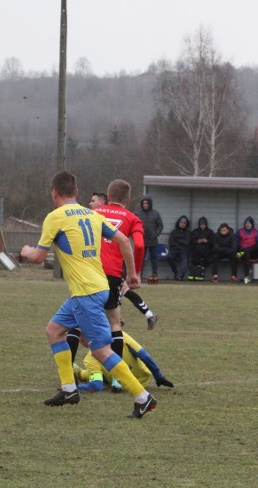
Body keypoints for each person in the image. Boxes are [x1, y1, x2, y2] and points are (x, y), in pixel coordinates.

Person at [19, 171, 157, 418]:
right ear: (77, 192)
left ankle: (142, 397)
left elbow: (38, 258)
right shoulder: (91, 214)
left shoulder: (55, 217)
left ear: (53, 193)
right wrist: (133, 274)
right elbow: (125, 241)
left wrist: (27, 251)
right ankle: (69, 389)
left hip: (85, 292)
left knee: (101, 350)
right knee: (54, 330)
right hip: (98, 286)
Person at [93, 180, 159, 338]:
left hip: (92, 269)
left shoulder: (94, 213)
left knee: (81, 317)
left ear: (108, 197)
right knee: (114, 322)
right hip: (114, 270)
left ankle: (70, 360)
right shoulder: (133, 218)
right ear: (128, 199)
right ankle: (148, 314)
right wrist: (135, 272)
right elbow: (140, 246)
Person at [73, 328, 175, 392]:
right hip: (141, 381)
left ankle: (77, 371)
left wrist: (76, 388)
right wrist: (158, 376)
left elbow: (97, 386)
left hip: (124, 385)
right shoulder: (121, 336)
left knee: (95, 373)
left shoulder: (90, 358)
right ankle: (79, 373)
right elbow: (145, 356)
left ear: (81, 340)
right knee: (98, 371)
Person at [136, 196, 164, 282]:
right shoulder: (138, 214)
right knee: (141, 259)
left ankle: (155, 274)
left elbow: (160, 225)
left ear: (150, 204)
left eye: (146, 203)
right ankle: (139, 274)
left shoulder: (155, 213)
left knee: (154, 259)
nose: (145, 205)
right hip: (142, 240)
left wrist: (156, 234)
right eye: (143, 203)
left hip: (153, 240)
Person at [235, 216, 258, 283]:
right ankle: (247, 276)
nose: (248, 225)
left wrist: (250, 249)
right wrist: (239, 249)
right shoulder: (240, 231)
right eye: (246, 223)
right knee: (246, 255)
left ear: (252, 224)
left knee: (249, 252)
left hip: (253, 252)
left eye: (249, 223)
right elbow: (236, 242)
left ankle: (256, 277)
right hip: (242, 251)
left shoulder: (256, 232)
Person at [188, 216, 214, 281]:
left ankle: (199, 273)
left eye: (204, 225)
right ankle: (196, 273)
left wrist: (207, 241)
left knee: (205, 259)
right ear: (199, 225)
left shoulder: (210, 232)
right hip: (196, 251)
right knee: (195, 259)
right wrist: (197, 241)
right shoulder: (195, 231)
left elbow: (213, 242)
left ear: (206, 225)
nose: (202, 226)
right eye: (201, 225)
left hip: (207, 251)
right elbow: (191, 242)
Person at [167, 215, 192, 281]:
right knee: (169, 257)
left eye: (184, 223)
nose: (182, 224)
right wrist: (180, 244)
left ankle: (181, 275)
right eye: (181, 222)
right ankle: (175, 272)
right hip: (174, 249)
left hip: (184, 250)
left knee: (184, 260)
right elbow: (171, 242)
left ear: (186, 224)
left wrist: (177, 240)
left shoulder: (188, 233)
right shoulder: (173, 232)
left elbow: (187, 242)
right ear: (178, 223)